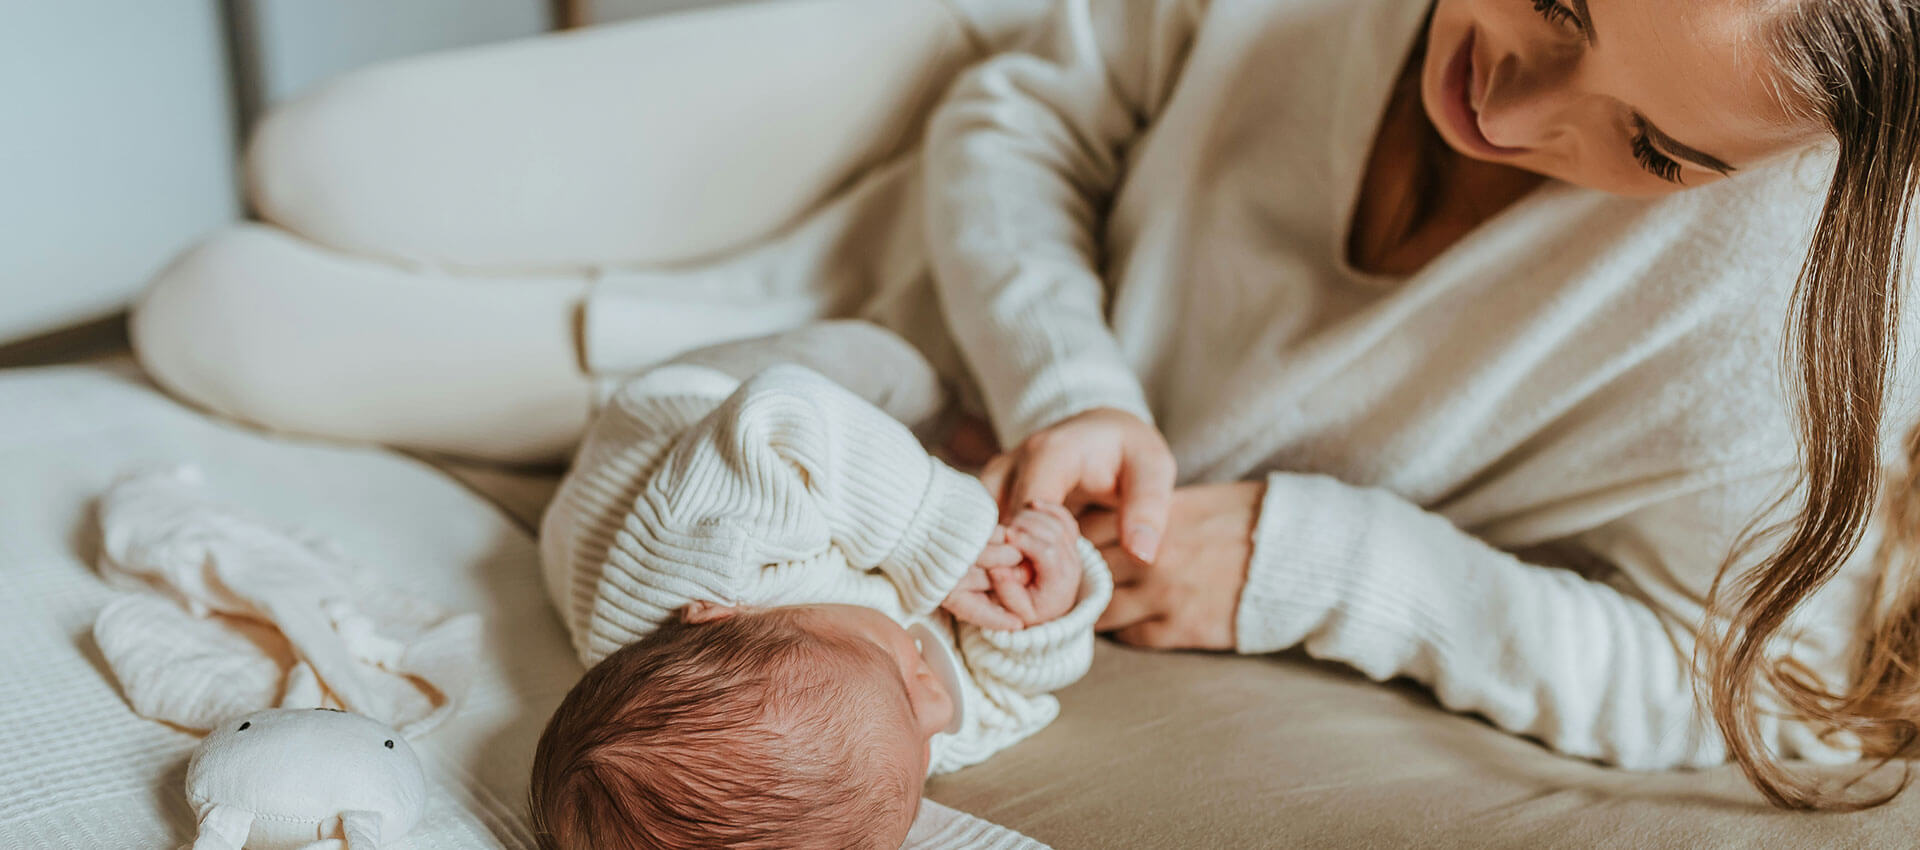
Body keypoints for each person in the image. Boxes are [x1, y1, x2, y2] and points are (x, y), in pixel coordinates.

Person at [130, 0, 1919, 810]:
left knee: (221, 322)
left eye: (1656, 144)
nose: (1515, 111)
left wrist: (1303, 564)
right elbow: (1022, 115)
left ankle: (658, 327)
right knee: (320, 144)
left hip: (818, 391)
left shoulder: (1792, 322)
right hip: (920, 129)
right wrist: (1071, 377)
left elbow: (1759, 690)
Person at [530, 323, 1111, 849]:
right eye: (925, 750)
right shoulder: (873, 765)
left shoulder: (711, 552)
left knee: (876, 362)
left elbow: (783, 414)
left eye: (906, 681)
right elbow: (1005, 704)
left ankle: (953, 420)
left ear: (721, 613)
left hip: (684, 411)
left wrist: (937, 530)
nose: (940, 709)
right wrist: (1035, 620)